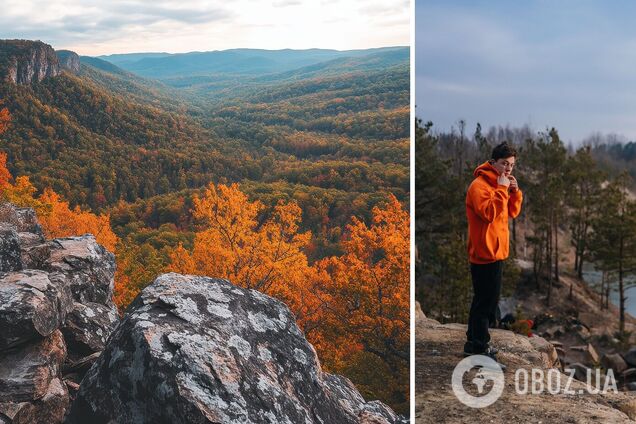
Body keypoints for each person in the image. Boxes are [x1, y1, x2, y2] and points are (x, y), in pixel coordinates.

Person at [464, 142, 523, 367]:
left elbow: (511, 212)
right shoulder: (479, 186)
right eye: (504, 164)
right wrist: (501, 189)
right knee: (485, 303)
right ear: (493, 162)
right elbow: (488, 214)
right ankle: (479, 348)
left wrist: (514, 191)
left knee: (486, 300)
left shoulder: (501, 184)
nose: (508, 169)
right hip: (484, 253)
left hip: (497, 252)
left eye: (511, 165)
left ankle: (473, 342)